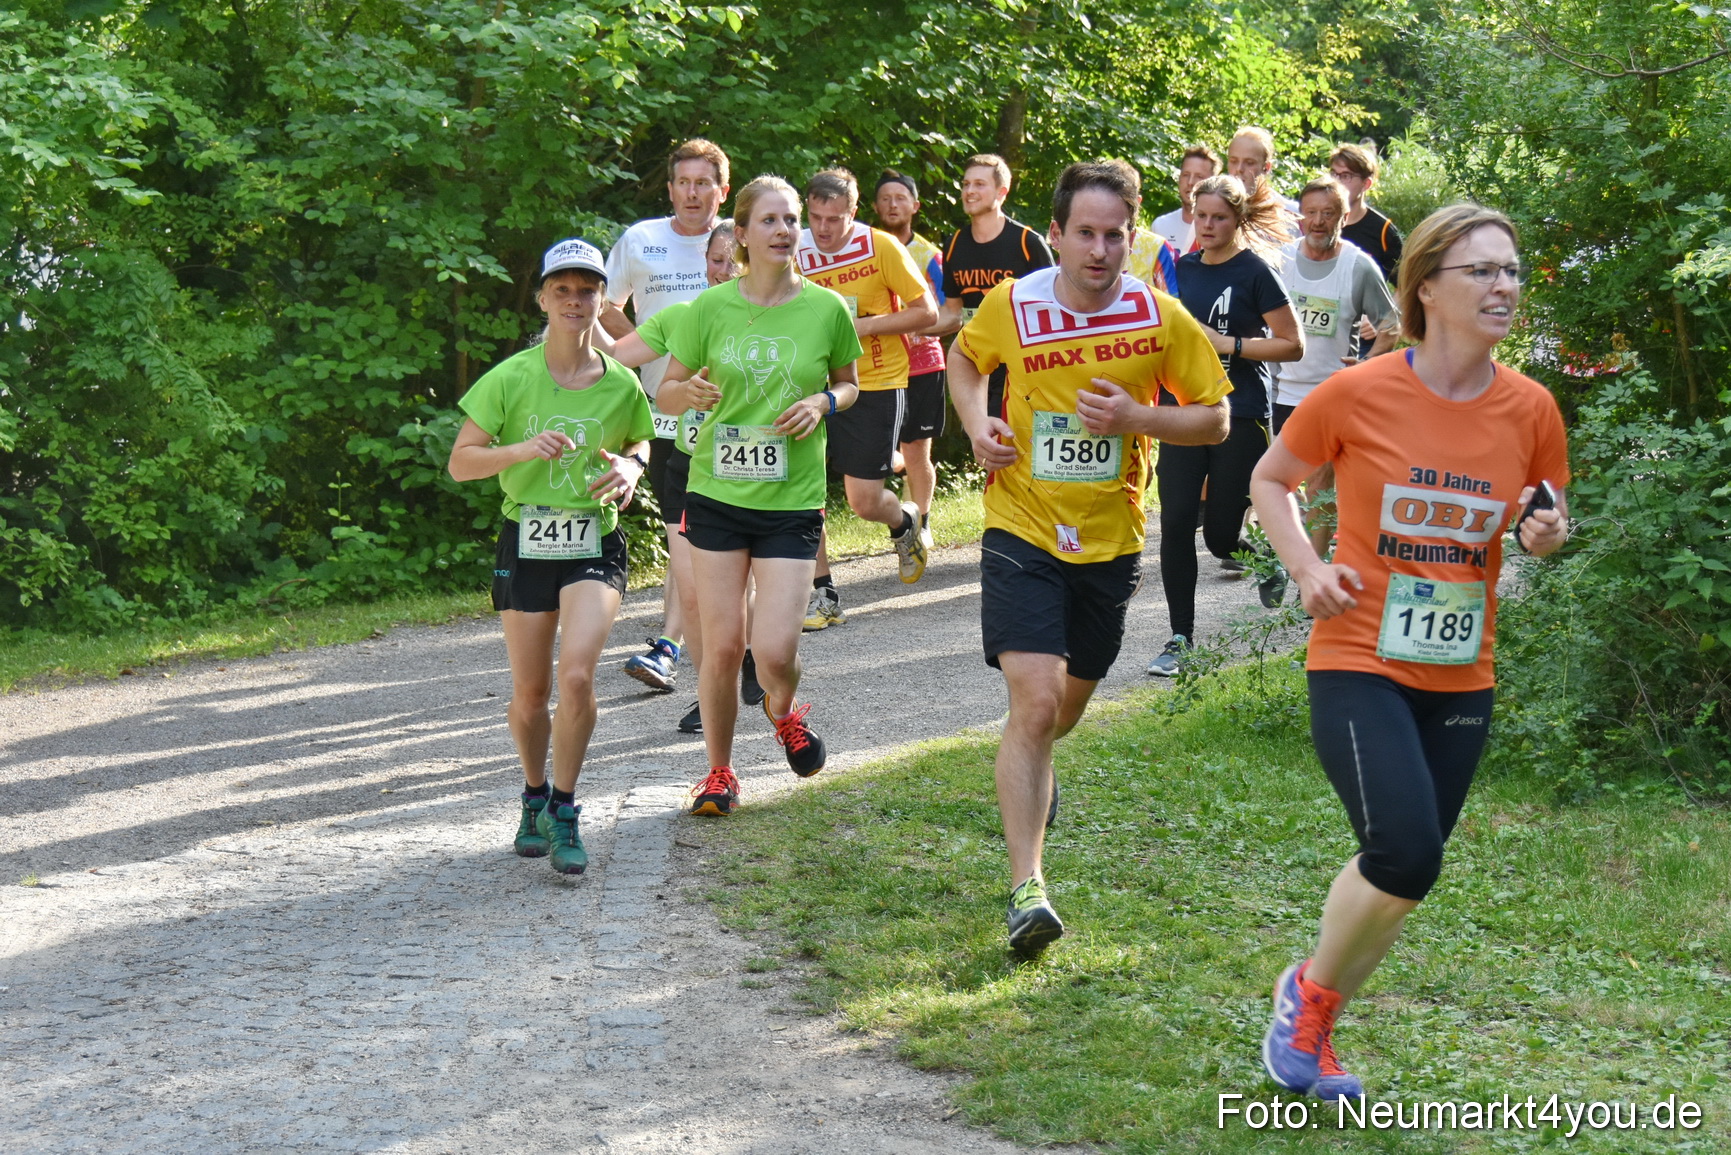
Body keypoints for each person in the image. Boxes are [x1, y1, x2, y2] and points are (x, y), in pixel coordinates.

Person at [1250, 204, 1569, 1102]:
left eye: (1510, 269)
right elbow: (1270, 480)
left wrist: (1544, 535)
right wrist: (1306, 568)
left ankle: (1307, 1012)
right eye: (1482, 271)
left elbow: (1543, 517)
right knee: (1402, 850)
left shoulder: (1531, 408)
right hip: (1358, 656)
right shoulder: (1358, 391)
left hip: (1463, 671)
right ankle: (1305, 1014)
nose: (1503, 285)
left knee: (1407, 869)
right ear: (1426, 286)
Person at [950, 162, 1230, 957]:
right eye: (1085, 233)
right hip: (1020, 523)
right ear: (1058, 234)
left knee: (1061, 710)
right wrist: (975, 423)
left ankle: (1037, 766)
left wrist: (1140, 415)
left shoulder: (1159, 315)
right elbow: (967, 363)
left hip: (1108, 541)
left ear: (1133, 234)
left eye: (1114, 235)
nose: (1099, 250)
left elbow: (1214, 418)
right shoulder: (1014, 303)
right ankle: (1026, 889)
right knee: (1033, 703)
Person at [447, 238, 655, 875]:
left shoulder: (621, 384)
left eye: (587, 290)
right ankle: (532, 794)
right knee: (532, 693)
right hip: (525, 540)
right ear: (542, 298)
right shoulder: (510, 377)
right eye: (561, 289)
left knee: (577, 676)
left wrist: (631, 467)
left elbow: (643, 445)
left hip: (595, 540)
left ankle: (565, 808)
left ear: (601, 300)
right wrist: (519, 450)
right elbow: (461, 464)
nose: (575, 300)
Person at [658, 176, 863, 817]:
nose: (783, 230)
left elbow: (851, 385)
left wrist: (823, 401)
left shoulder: (826, 309)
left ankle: (782, 709)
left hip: (790, 501)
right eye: (769, 221)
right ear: (741, 234)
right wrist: (686, 393)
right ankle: (718, 773)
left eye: (791, 219)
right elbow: (665, 390)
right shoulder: (710, 308)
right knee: (720, 648)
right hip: (716, 492)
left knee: (774, 651)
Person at [605, 221, 762, 735]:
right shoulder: (682, 317)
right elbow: (615, 358)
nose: (723, 269)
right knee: (693, 591)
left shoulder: (774, 318)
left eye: (731, 260)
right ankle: (713, 686)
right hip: (685, 460)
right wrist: (567, 332)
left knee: (735, 584)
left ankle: (753, 657)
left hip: (749, 466)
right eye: (715, 260)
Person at [1147, 174, 1303, 676]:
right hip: (1182, 412)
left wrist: (1229, 344)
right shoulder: (1178, 271)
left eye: (1220, 217)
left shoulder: (1255, 271)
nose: (1208, 225)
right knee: (1173, 526)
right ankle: (1179, 639)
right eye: (1201, 215)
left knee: (1218, 538)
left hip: (1243, 413)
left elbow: (1292, 344)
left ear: (1237, 220)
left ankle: (1265, 560)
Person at [602, 138, 731, 695]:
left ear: (722, 191)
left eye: (704, 183)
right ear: (671, 188)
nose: (693, 193)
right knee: (684, 530)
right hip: (664, 413)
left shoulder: (741, 240)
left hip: (732, 421)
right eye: (684, 182)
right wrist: (647, 350)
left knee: (701, 534)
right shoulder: (642, 240)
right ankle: (695, 649)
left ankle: (677, 646)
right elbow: (606, 303)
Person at [796, 168, 938, 626]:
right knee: (803, 491)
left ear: (852, 213)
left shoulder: (881, 246)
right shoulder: (794, 248)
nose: (823, 229)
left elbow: (927, 311)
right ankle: (824, 595)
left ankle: (904, 522)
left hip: (875, 383)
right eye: (815, 217)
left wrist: (862, 327)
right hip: (808, 384)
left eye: (833, 219)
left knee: (862, 501)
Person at [1272, 177, 1402, 561]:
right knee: (1273, 483)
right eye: (1310, 213)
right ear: (1299, 218)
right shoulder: (1280, 260)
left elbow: (1391, 327)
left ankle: (1310, 568)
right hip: (1277, 390)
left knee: (1320, 485)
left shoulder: (1358, 266)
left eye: (1327, 214)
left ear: (1343, 218)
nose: (1317, 222)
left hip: (1330, 394)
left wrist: (1364, 367)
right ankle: (1281, 557)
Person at [932, 153, 1054, 421]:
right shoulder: (954, 244)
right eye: (966, 184)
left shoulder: (1027, 242)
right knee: (986, 448)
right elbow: (952, 312)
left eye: (979, 184)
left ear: (1002, 192)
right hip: (976, 363)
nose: (970, 191)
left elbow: (1056, 308)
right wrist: (908, 328)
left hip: (1022, 364)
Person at [874, 169, 947, 549]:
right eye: (885, 198)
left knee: (918, 451)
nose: (892, 204)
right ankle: (897, 473)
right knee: (883, 451)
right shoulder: (867, 248)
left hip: (923, 363)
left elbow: (951, 308)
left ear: (915, 206)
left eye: (900, 197)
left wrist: (928, 326)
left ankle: (923, 521)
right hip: (878, 364)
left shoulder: (932, 255)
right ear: (874, 206)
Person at [1331, 144, 1404, 284]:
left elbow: (1403, 286)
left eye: (1346, 176)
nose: (1337, 181)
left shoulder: (1383, 231)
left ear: (1366, 184)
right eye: (1334, 173)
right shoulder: (1316, 221)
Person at [1225, 126, 1301, 230]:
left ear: (1266, 167)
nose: (1239, 169)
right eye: (1234, 161)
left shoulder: (1291, 216)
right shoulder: (1210, 211)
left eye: (1249, 163)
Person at [1151, 145, 1219, 253]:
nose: (1190, 182)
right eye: (1186, 175)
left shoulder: (1219, 229)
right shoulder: (1160, 226)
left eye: (1199, 176)